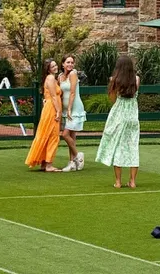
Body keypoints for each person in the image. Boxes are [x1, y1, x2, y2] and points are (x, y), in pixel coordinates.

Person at [96, 53, 141, 188]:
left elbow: (113, 98)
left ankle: (118, 181)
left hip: (119, 115)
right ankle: (132, 181)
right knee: (133, 146)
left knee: (117, 146)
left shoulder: (114, 80)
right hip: (132, 115)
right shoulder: (136, 79)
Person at [25, 59, 64, 172]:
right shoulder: (51, 78)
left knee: (47, 134)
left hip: (49, 107)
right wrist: (58, 111)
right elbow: (53, 96)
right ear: (48, 69)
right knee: (53, 135)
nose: (55, 67)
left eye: (55, 65)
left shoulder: (51, 78)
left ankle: (44, 162)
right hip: (52, 108)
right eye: (53, 66)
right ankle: (48, 164)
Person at [58, 55, 86, 172]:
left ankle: (78, 155)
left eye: (72, 62)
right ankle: (72, 163)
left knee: (65, 134)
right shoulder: (60, 77)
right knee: (72, 136)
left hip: (75, 108)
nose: (70, 64)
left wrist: (69, 108)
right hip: (65, 110)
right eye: (68, 62)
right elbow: (60, 94)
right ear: (63, 64)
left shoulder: (73, 74)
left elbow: (73, 93)